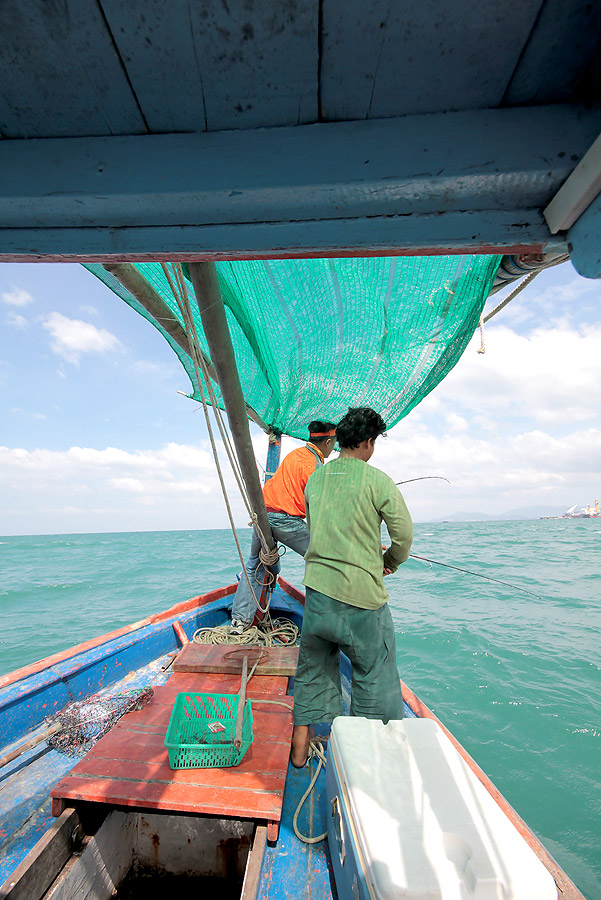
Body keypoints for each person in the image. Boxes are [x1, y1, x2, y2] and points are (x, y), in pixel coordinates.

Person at [290, 407, 413, 767]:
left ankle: (299, 754)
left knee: (311, 671)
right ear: (366, 442)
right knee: (375, 674)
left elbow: (317, 529)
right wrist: (388, 561)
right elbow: (403, 536)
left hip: (318, 598)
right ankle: (361, 761)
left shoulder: (316, 480)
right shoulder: (378, 480)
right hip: (362, 603)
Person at [231, 420, 337, 632]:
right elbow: (319, 508)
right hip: (285, 519)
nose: (334, 448)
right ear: (327, 442)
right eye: (334, 443)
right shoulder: (315, 465)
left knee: (254, 565)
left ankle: (239, 622)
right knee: (324, 559)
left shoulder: (295, 455)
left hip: (262, 515)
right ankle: (325, 621)